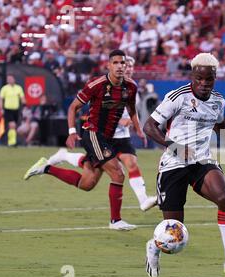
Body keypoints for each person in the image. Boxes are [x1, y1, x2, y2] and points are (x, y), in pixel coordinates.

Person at [143, 53, 225, 277]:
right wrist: (174, 146)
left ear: (215, 78)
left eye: (209, 79)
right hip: (173, 164)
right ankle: (154, 247)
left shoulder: (218, 100)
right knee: (174, 230)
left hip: (202, 161)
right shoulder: (177, 97)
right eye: (199, 79)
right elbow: (149, 127)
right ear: (192, 76)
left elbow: (222, 129)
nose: (204, 83)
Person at [23, 49, 144, 231]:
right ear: (109, 65)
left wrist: (139, 129)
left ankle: (45, 168)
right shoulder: (96, 85)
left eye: (123, 63)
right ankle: (115, 221)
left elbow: (132, 108)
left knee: (87, 184)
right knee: (118, 174)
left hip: (108, 138)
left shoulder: (131, 87)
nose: (120, 66)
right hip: (93, 133)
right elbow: (73, 107)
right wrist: (72, 132)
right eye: (116, 63)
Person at [47, 56, 158, 212]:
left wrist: (137, 128)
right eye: (125, 65)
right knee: (89, 181)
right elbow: (91, 113)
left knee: (130, 164)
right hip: (102, 137)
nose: (128, 68)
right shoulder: (101, 85)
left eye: (130, 66)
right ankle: (63, 157)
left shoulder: (133, 88)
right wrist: (119, 122)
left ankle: (143, 200)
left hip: (122, 136)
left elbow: (132, 112)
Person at [0, 75, 25, 146]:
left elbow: (22, 98)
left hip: (16, 110)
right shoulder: (4, 88)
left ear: (14, 79)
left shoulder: (18, 88)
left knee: (14, 126)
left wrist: (24, 104)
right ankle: (12, 142)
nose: (10, 80)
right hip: (8, 109)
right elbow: (1, 99)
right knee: (12, 125)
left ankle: (12, 141)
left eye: (11, 79)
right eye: (8, 79)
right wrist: (1, 108)